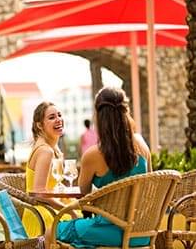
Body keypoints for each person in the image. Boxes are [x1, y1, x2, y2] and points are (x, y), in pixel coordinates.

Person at [45, 87, 152, 249]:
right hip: (143, 233)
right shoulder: (142, 144)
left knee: (50, 231)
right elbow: (149, 184)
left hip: (111, 232)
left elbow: (83, 195)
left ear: (99, 116)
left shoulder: (93, 155)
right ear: (126, 112)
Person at [22, 101, 73, 237]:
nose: (58, 120)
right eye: (51, 117)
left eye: (59, 115)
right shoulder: (45, 151)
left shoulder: (51, 148)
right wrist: (69, 210)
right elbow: (39, 192)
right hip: (43, 215)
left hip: (47, 208)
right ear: (40, 125)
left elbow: (52, 184)